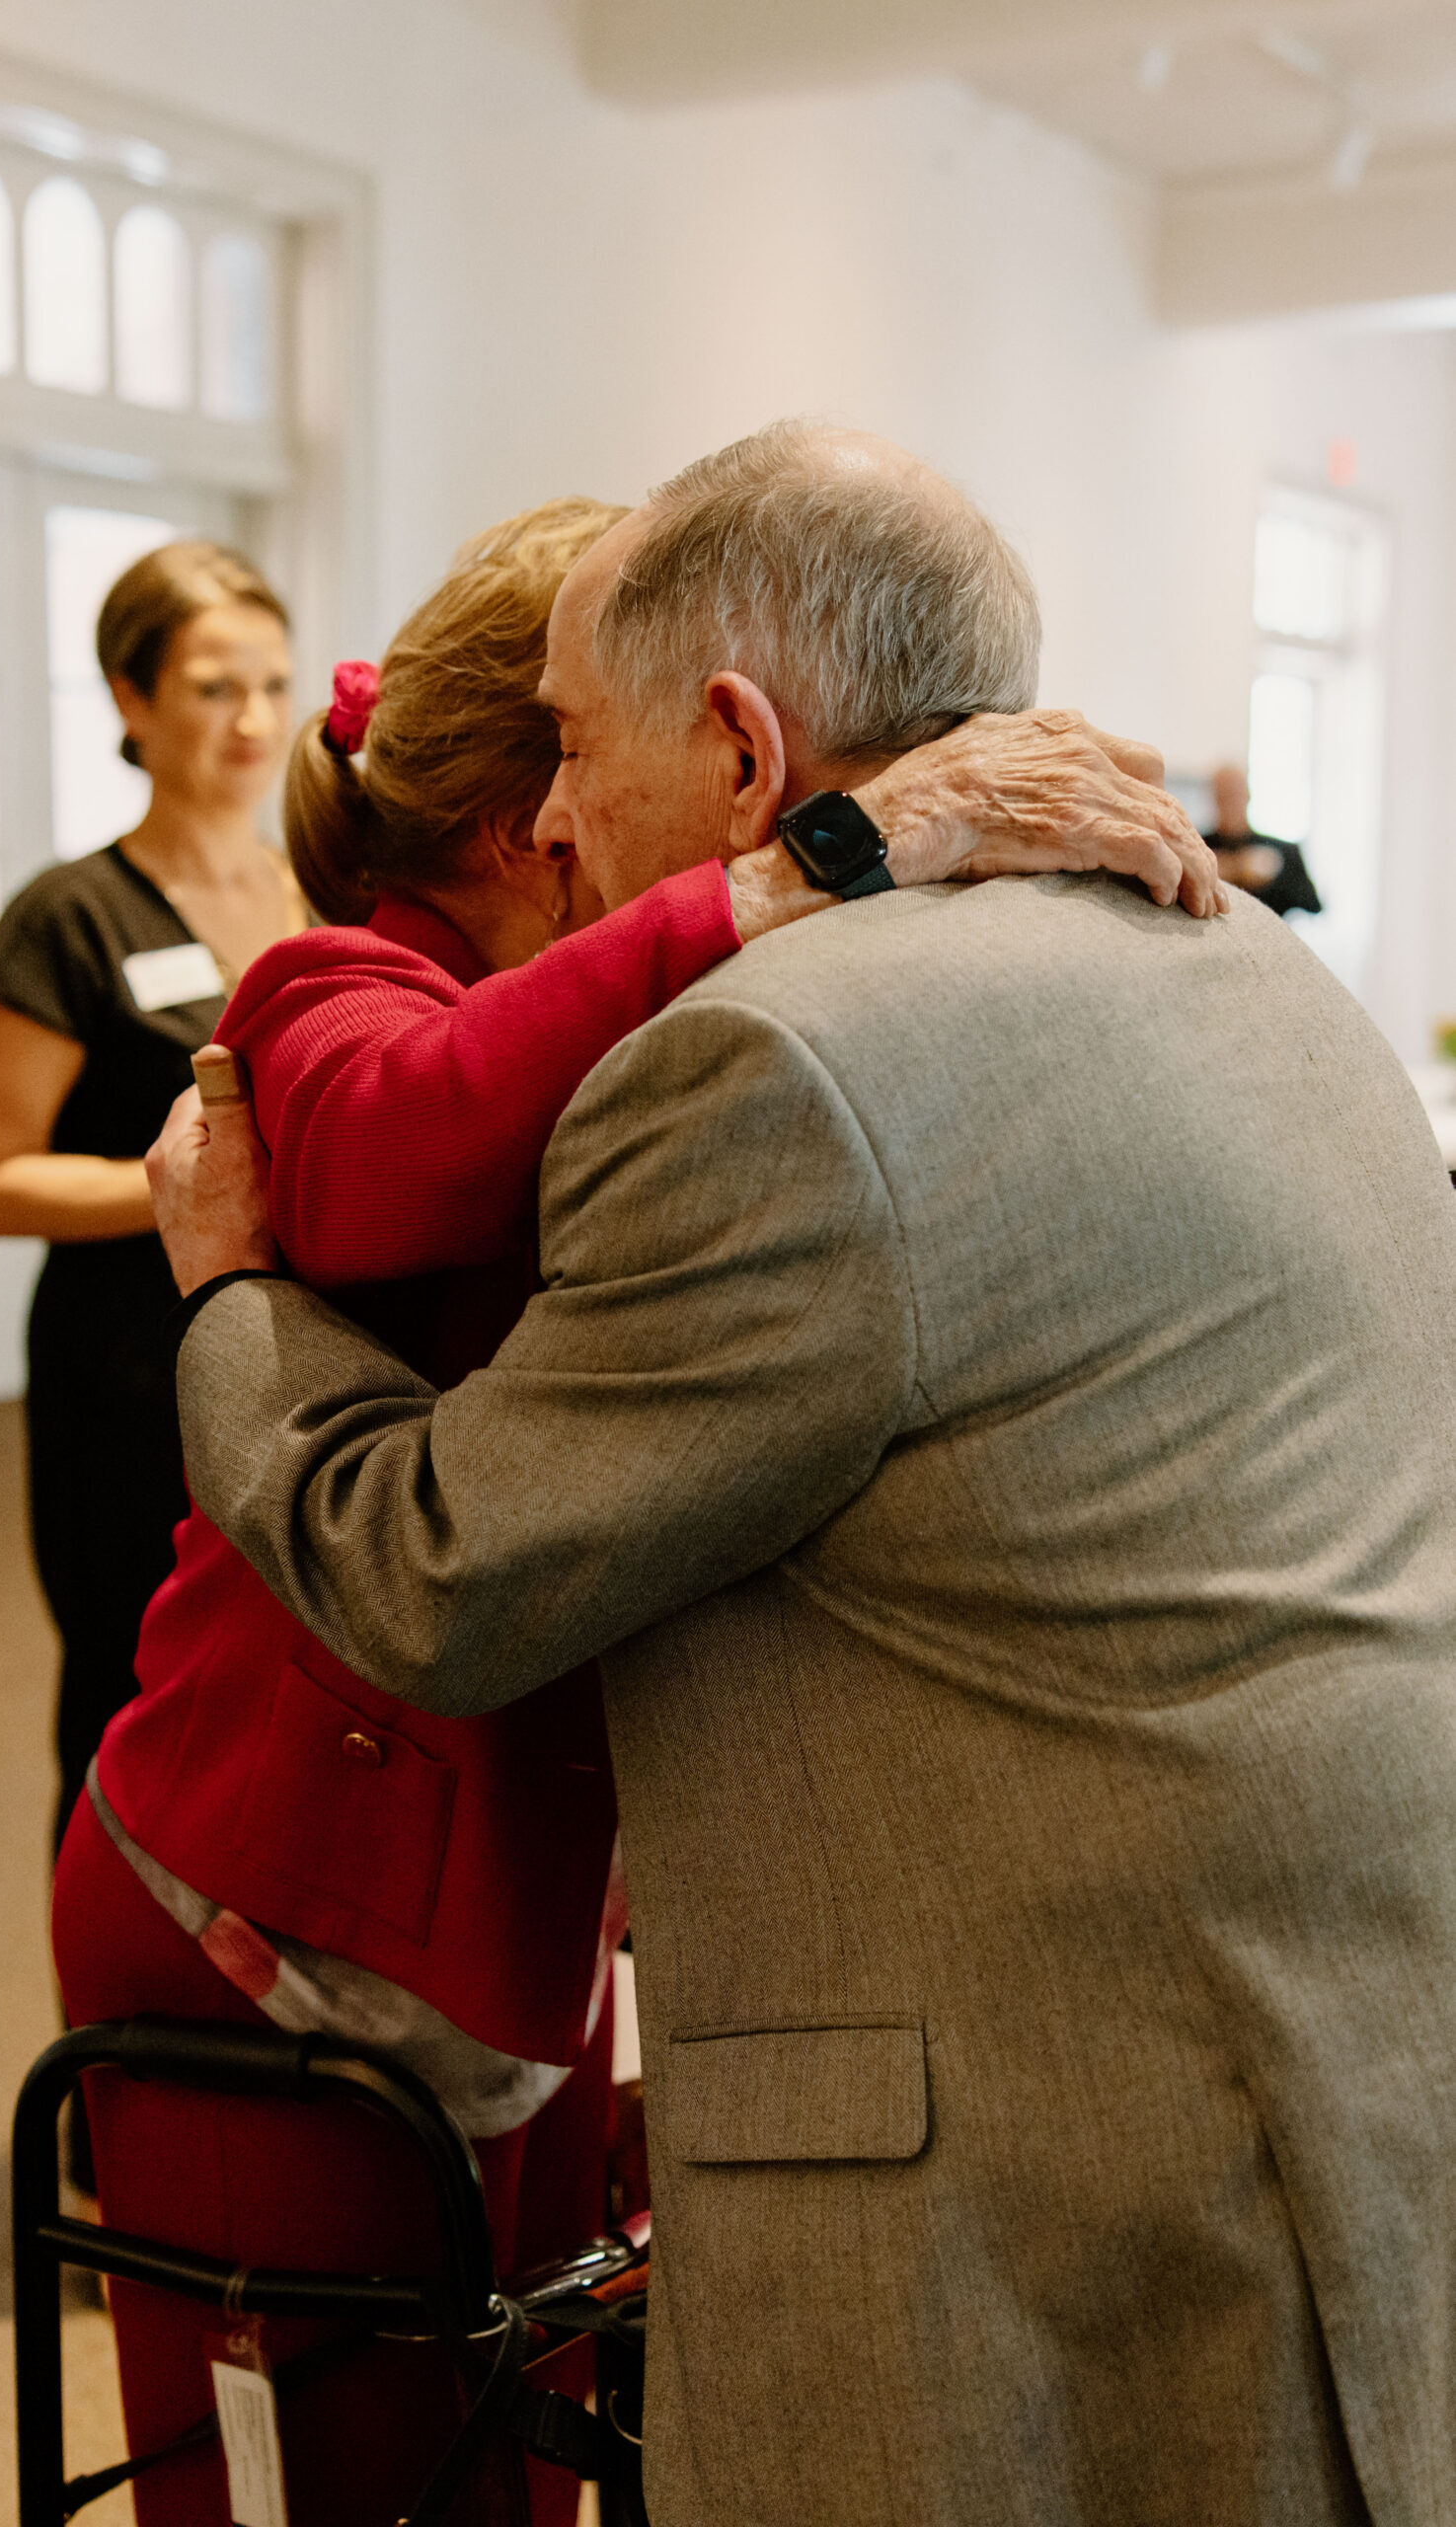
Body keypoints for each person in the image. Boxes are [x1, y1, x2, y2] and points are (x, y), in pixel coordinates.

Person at [155, 423, 1456, 2527]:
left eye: (581, 749)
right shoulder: (1239, 949)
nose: (553, 813)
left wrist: (219, 1288)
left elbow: (435, 1573)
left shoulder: (773, 1060)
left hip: (1053, 2107)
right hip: (1342, 2003)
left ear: (743, 753)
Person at [0, 541, 307, 1866]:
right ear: (130, 698)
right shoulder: (71, 917)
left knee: (285, 1693)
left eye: (272, 684)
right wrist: (188, 1193)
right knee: (126, 1688)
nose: (253, 720)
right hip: (124, 1374)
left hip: (295, 1354)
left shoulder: (318, 885)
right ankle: (107, 1974)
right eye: (214, 687)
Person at [1205, 760, 1323, 917]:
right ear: (1213, 797)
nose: (1230, 802)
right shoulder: (1199, 849)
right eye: (1224, 795)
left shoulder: (1283, 850)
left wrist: (1274, 876)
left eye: (1235, 794)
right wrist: (1234, 869)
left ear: (1248, 795)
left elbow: (1313, 905)